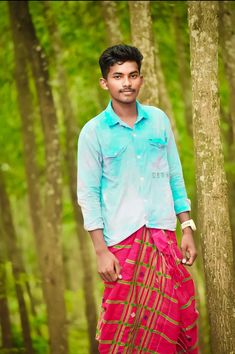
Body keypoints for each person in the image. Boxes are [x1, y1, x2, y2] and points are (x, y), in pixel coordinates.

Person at [77, 44, 199, 354]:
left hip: (163, 240)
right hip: (121, 246)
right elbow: (88, 195)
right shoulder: (93, 133)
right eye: (118, 76)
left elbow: (174, 175)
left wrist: (187, 227)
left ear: (141, 79)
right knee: (125, 331)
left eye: (132, 75)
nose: (126, 83)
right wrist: (100, 251)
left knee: (173, 320)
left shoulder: (158, 121)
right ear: (105, 82)